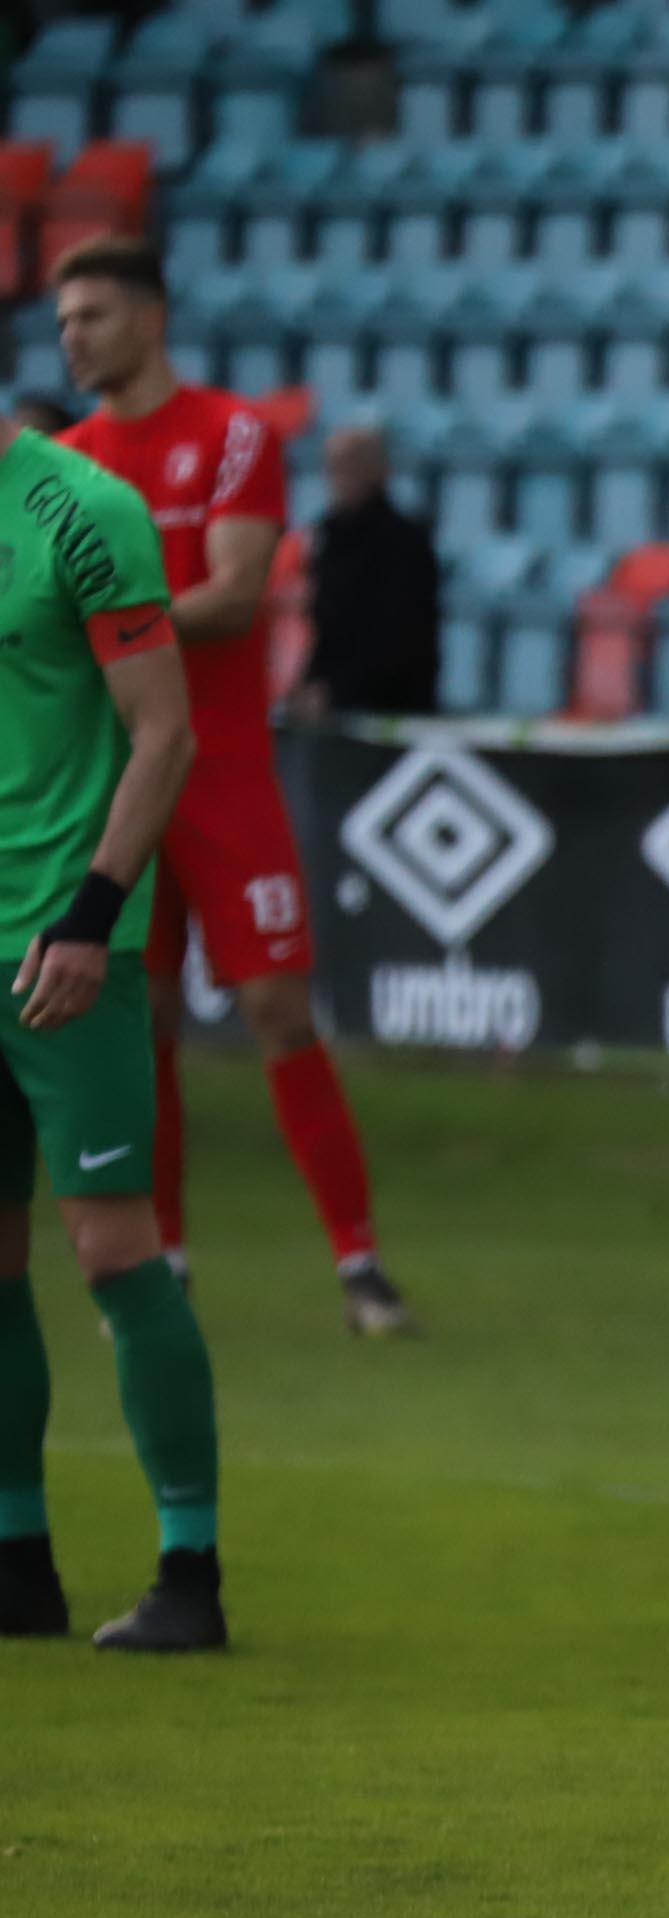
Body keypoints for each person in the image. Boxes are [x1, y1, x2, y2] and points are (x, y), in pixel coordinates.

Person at [52, 237, 413, 1339]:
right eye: (63, 319)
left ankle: (359, 1263)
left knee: (274, 1006)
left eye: (94, 316)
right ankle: (166, 1259)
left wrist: (104, 618)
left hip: (220, 767)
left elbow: (239, 591)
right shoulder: (63, 460)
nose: (72, 336)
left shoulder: (231, 434)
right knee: (140, 1019)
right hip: (117, 776)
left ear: (151, 319)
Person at [0, 401, 233, 1652]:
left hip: (61, 941)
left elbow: (165, 729)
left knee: (112, 1250)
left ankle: (188, 1570)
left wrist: (95, 914)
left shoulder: (79, 511)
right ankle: (16, 1562)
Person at [297, 424, 440, 719]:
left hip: (391, 706)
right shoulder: (327, 534)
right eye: (334, 465)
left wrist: (337, 692)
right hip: (331, 701)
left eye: (354, 463)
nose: (341, 475)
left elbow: (400, 636)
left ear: (380, 470)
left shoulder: (405, 541)